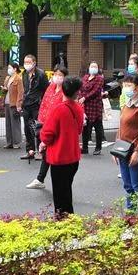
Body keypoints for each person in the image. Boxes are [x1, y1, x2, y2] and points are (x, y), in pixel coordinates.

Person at [40, 75, 85, 216]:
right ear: (76, 92)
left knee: (59, 195)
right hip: (73, 157)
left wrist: (43, 143)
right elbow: (79, 129)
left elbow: (47, 134)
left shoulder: (58, 109)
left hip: (59, 158)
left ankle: (62, 221)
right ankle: (69, 219)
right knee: (66, 190)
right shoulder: (79, 108)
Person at [27, 65, 68, 189]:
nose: (57, 77)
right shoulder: (51, 87)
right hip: (46, 124)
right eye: (56, 74)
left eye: (60, 75)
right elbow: (44, 104)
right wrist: (40, 121)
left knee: (52, 153)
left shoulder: (66, 91)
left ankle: (46, 179)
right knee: (47, 152)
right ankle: (40, 179)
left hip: (58, 126)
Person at [117, 74, 138, 210]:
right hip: (123, 150)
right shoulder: (127, 103)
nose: (125, 88)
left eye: (128, 85)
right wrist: (116, 149)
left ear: (137, 88)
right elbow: (121, 127)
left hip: (137, 151)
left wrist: (137, 152)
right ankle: (131, 214)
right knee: (128, 185)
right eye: (124, 85)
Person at [20, 54, 48, 159]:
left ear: (34, 63)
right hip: (26, 104)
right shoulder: (24, 74)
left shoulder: (41, 74)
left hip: (37, 105)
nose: (26, 64)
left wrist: (42, 103)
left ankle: (40, 151)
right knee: (27, 128)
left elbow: (46, 90)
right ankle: (30, 151)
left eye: (29, 62)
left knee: (38, 128)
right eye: (25, 62)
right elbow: (25, 89)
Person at [79, 62, 106, 155]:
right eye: (92, 66)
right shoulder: (85, 77)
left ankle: (98, 147)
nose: (93, 68)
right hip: (85, 106)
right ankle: (85, 148)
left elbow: (96, 91)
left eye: (95, 66)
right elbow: (81, 89)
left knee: (98, 127)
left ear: (98, 68)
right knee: (85, 127)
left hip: (95, 106)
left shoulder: (99, 78)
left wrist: (85, 97)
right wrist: (81, 97)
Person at [1, 62, 24, 149]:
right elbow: (5, 90)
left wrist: (19, 105)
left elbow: (20, 93)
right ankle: (9, 142)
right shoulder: (8, 78)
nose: (8, 70)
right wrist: (4, 89)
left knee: (15, 124)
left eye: (10, 68)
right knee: (8, 124)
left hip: (14, 104)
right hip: (7, 103)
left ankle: (16, 142)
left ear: (15, 69)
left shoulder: (18, 79)